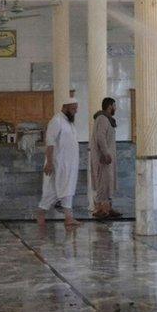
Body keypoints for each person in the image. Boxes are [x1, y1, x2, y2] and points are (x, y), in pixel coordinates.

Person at [37, 97, 81, 228]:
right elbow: (50, 143)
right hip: (59, 163)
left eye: (76, 109)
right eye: (73, 109)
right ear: (65, 107)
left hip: (70, 164)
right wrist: (49, 162)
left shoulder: (68, 122)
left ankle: (68, 217)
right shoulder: (56, 121)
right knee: (56, 189)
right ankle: (42, 212)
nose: (75, 111)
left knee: (64, 188)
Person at [90, 97, 120, 219]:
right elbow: (100, 137)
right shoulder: (102, 118)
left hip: (108, 156)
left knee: (108, 182)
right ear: (110, 106)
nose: (116, 108)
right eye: (114, 105)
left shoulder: (107, 119)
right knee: (103, 182)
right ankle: (101, 209)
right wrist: (105, 153)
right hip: (104, 158)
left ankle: (108, 207)